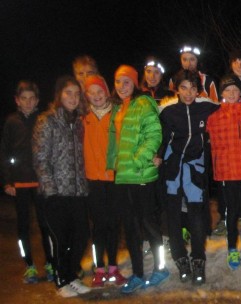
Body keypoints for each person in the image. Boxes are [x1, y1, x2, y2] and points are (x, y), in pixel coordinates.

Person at [106, 65, 167, 293]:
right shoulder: (118, 108)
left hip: (141, 174)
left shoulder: (143, 103)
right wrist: (112, 166)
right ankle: (138, 273)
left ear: (134, 83)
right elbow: (115, 141)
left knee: (149, 224)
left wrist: (139, 160)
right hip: (123, 178)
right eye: (118, 82)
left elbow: (155, 134)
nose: (122, 87)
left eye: (127, 82)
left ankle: (161, 268)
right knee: (130, 227)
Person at [157, 70, 218, 285]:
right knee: (173, 216)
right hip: (173, 170)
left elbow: (228, 108)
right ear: (177, 89)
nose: (188, 93)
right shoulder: (167, 112)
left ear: (198, 89)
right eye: (184, 88)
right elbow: (159, 136)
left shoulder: (206, 107)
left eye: (193, 88)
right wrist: (157, 156)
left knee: (197, 217)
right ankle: (180, 259)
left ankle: (198, 260)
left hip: (195, 170)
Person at [32, 76, 90, 297]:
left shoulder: (78, 123)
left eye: (76, 94)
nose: (73, 98)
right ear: (59, 95)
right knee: (60, 238)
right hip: (55, 193)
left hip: (77, 191)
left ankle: (70, 276)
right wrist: (50, 190)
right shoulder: (47, 121)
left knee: (81, 235)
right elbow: (40, 158)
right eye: (68, 93)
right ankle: (60, 280)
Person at [0, 81, 54, 283]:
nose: (28, 102)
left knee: (45, 225)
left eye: (32, 98)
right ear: (17, 100)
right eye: (24, 98)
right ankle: (29, 266)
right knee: (23, 227)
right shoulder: (11, 121)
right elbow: (4, 152)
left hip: (40, 182)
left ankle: (50, 263)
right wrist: (7, 181)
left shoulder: (43, 119)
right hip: (19, 183)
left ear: (37, 100)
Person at [207, 75, 241, 273]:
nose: (232, 94)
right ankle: (231, 248)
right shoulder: (214, 118)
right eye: (228, 91)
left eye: (235, 90)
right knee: (230, 213)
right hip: (227, 172)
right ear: (222, 94)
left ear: (240, 93)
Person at [82, 75, 126, 287]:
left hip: (115, 177)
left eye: (100, 91)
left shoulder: (118, 114)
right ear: (86, 95)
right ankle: (99, 268)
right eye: (92, 92)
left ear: (107, 92)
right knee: (98, 225)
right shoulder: (82, 117)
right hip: (93, 179)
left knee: (113, 224)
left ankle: (114, 267)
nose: (97, 96)